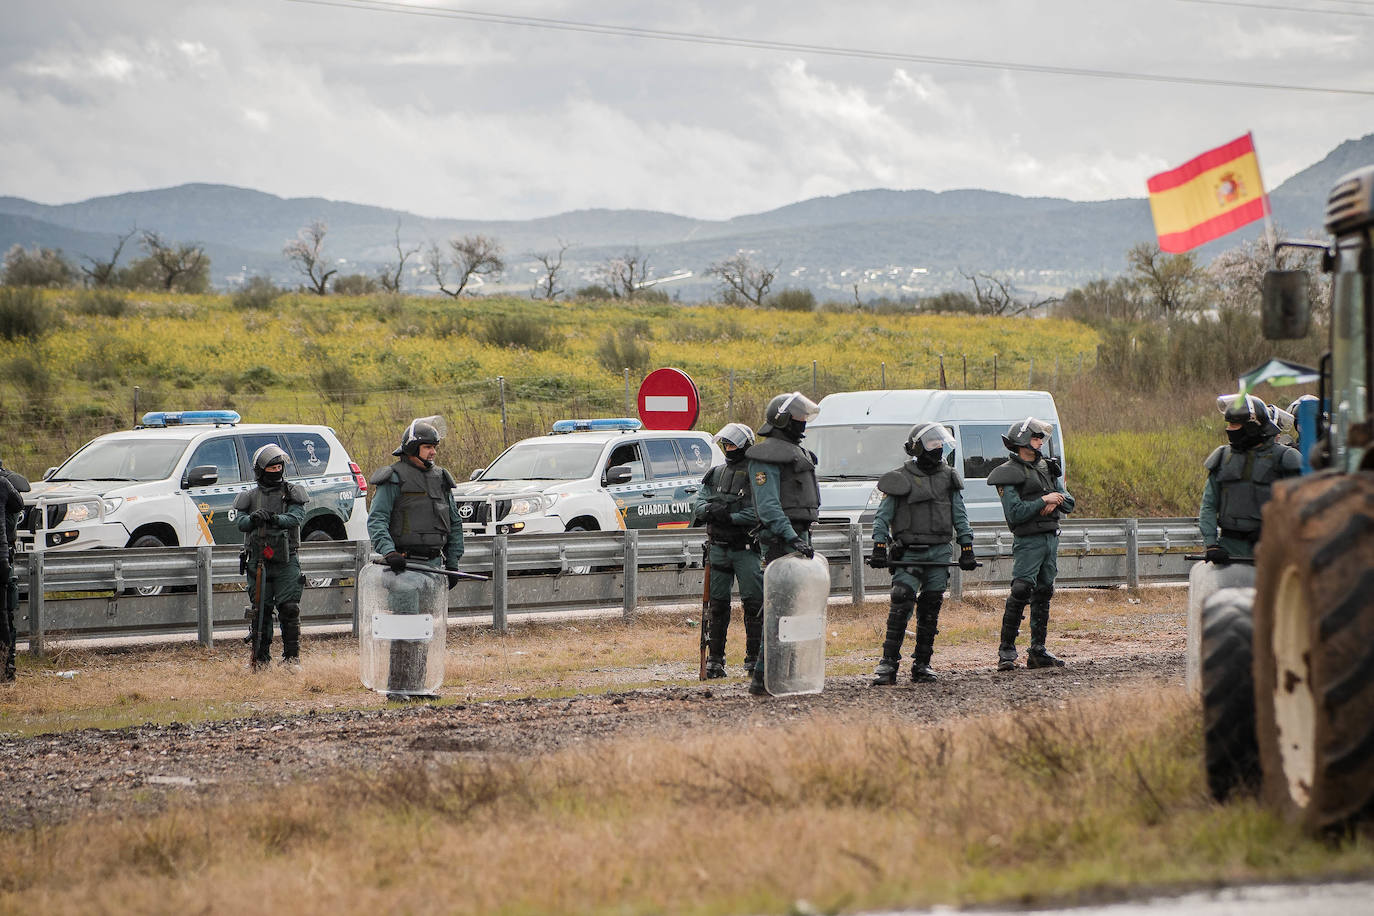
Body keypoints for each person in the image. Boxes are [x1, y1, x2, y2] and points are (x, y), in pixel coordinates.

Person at [868, 423, 977, 685]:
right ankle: (888, 665)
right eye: (931, 443)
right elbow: (882, 516)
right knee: (901, 599)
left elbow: (959, 515)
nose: (938, 448)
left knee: (930, 608)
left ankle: (922, 664)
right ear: (917, 447)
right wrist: (879, 545)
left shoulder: (949, 477)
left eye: (940, 443)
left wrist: (967, 547)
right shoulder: (899, 477)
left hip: (939, 553)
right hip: (908, 553)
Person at [367, 419, 464, 698]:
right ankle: (397, 688)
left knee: (424, 628)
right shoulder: (393, 477)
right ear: (412, 447)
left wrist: (453, 561)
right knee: (404, 628)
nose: (433, 452)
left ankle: (419, 686)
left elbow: (454, 523)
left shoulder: (441, 478)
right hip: (403, 567)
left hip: (433, 567)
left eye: (434, 447)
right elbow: (377, 520)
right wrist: (389, 552)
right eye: (427, 447)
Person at [746, 391, 821, 696]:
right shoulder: (765, 457)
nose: (803, 423)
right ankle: (764, 679)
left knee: (793, 608)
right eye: (798, 418)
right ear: (783, 420)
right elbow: (768, 507)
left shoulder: (795, 452)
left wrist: (799, 538)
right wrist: (791, 537)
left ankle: (785, 675)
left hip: (798, 537)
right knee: (779, 608)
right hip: (780, 540)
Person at [986, 417, 1075, 671]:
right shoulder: (1008, 473)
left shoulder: (1049, 468)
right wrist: (1042, 501)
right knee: (1022, 589)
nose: (1040, 442)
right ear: (1023, 441)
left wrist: (1054, 499)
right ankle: (1006, 651)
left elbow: (1069, 502)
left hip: (1050, 538)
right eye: (1035, 437)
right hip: (1029, 541)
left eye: (1040, 438)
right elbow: (1015, 513)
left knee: (1044, 592)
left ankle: (1037, 650)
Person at [692, 422, 763, 678]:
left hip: (745, 549)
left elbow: (756, 512)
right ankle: (715, 660)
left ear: (745, 445)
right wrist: (711, 510)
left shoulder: (757, 475)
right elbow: (699, 505)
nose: (729, 448)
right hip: (718, 549)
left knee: (754, 604)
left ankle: (754, 659)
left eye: (733, 444)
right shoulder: (715, 474)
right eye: (727, 444)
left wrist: (727, 515)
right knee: (717, 607)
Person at [1199, 393, 1302, 565]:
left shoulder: (1286, 458)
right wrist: (1211, 545)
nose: (1230, 429)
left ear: (1252, 427)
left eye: (1235, 424)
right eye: (1229, 424)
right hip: (1230, 553)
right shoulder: (1222, 458)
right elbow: (1208, 504)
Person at [235, 445, 307, 669]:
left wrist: (276, 519)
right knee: (261, 612)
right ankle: (260, 660)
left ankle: (291, 660)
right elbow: (240, 523)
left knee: (289, 609)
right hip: (258, 562)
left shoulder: (292, 492)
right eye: (271, 467)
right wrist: (254, 518)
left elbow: (296, 517)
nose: (276, 471)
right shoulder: (249, 496)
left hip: (286, 561)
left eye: (279, 466)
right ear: (260, 470)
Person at [0, 458, 25, 683]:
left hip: (4, 556)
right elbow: (20, 502)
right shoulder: (5, 484)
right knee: (5, 615)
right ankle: (7, 668)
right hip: (3, 557)